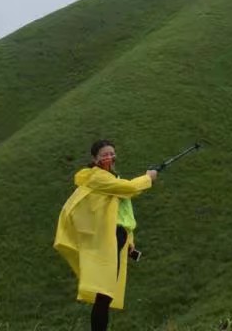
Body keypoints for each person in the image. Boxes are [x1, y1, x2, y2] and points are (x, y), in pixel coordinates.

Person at [54, 140, 158, 331]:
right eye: (104, 154)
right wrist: (148, 178)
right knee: (104, 293)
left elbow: (122, 211)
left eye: (111, 153)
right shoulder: (99, 178)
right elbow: (130, 189)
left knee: (106, 294)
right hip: (106, 240)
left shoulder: (112, 178)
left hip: (116, 238)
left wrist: (129, 240)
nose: (109, 157)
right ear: (95, 159)